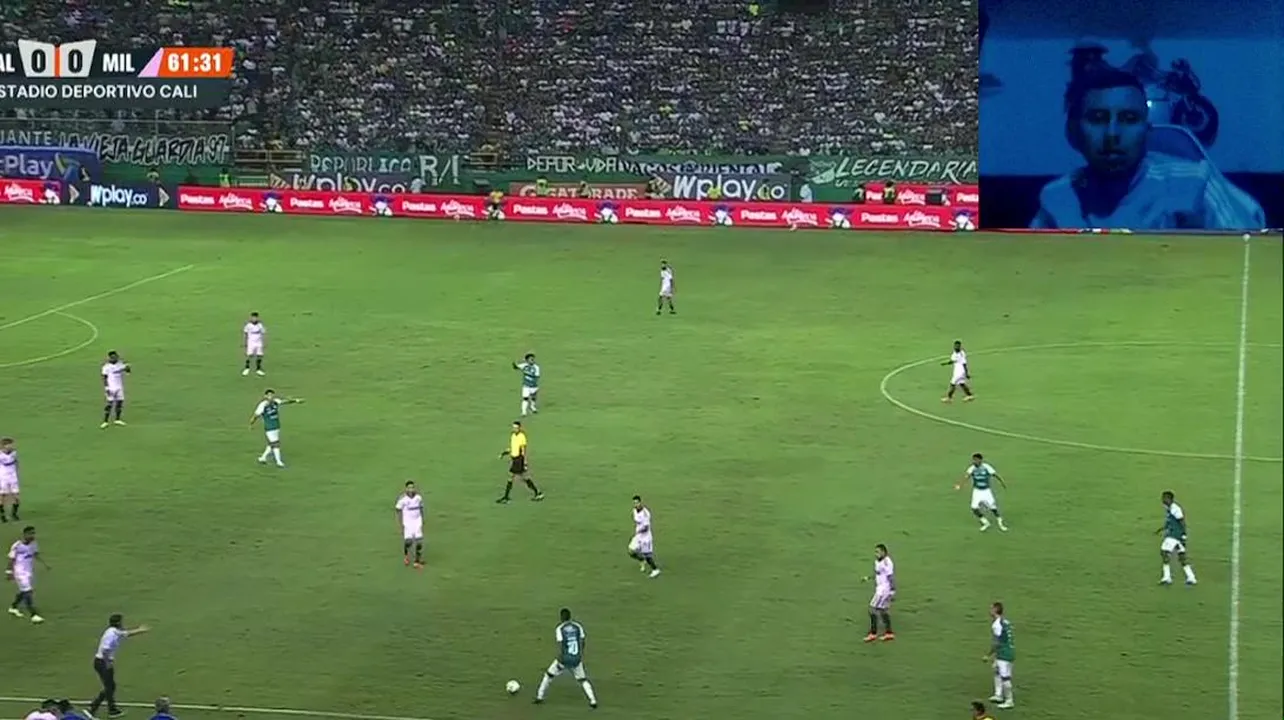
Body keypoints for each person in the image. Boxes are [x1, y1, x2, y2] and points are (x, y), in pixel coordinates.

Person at [1031, 67, 1265, 230]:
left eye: (1129, 118)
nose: (1112, 134)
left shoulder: (1195, 182)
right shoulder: (1057, 198)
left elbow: (1253, 255)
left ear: (1146, 131)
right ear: (1073, 133)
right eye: (1098, 119)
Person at [533, 608, 598, 708]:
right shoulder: (578, 626)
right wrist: (580, 654)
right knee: (583, 680)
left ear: (561, 617)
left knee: (548, 675)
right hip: (576, 659)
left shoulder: (560, 629)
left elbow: (560, 646)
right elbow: (582, 641)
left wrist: (560, 660)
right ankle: (593, 701)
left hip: (564, 659)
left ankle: (539, 697)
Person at [89, 613, 151, 718]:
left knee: (110, 687)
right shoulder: (111, 634)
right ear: (118, 623)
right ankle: (94, 708)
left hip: (101, 662)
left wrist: (140, 630)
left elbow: (126, 634)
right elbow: (105, 649)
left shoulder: (114, 631)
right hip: (102, 662)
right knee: (110, 687)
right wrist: (108, 662)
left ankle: (110, 710)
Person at [250, 390, 304, 467]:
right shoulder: (263, 405)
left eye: (272, 395)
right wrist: (251, 424)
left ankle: (263, 458)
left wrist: (295, 400)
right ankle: (278, 461)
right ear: (265, 396)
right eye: (269, 395)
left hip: (276, 426)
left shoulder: (275, 401)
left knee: (271, 443)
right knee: (276, 444)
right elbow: (256, 415)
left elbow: (284, 402)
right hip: (269, 427)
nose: (271, 397)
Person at [956, 454, 1008, 532]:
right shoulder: (972, 468)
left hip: (986, 491)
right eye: (973, 460)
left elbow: (995, 475)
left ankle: (1000, 523)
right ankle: (985, 522)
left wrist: (1002, 482)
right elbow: (966, 476)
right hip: (977, 491)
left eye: (976, 460)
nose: (974, 461)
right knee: (974, 508)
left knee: (993, 508)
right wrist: (960, 485)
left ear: (980, 460)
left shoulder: (986, 467)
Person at [7, 524, 48, 623]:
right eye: (30, 533)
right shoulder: (17, 545)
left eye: (33, 533)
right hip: (19, 572)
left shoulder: (34, 544)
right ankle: (33, 614)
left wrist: (44, 564)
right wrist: (9, 572)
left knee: (24, 591)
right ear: (25, 534)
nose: (32, 535)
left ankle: (13, 607)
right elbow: (11, 559)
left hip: (28, 572)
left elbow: (35, 554)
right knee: (28, 591)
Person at [1157, 490, 1197, 586]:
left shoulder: (1175, 508)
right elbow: (1170, 522)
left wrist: (1183, 534)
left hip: (1174, 535)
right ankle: (1191, 577)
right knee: (1182, 557)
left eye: (1164, 498)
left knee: (1164, 553)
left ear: (1169, 499)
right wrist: (1161, 529)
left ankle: (1167, 577)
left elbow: (1181, 521)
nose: (1162, 500)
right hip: (1177, 536)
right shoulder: (1170, 508)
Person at [497, 421, 543, 503]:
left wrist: (525, 462)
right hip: (514, 459)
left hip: (519, 459)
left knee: (514, 477)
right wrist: (503, 453)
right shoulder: (513, 436)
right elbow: (512, 448)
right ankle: (537, 493)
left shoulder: (522, 436)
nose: (515, 429)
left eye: (516, 428)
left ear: (519, 428)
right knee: (522, 477)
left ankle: (506, 497)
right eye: (513, 427)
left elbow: (523, 450)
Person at [861, 543, 895, 642]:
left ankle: (873, 633)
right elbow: (878, 573)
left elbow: (890, 577)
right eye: (875, 552)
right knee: (883, 610)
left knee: (872, 609)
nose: (876, 554)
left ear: (883, 552)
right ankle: (889, 633)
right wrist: (868, 577)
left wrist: (892, 591)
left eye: (878, 552)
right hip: (881, 589)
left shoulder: (887, 563)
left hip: (883, 590)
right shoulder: (878, 561)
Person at [984, 602, 1015, 709]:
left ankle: (1009, 701)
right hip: (1008, 651)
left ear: (995, 610)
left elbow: (997, 642)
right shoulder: (1005, 621)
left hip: (1004, 654)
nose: (989, 611)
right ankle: (998, 695)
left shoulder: (997, 625)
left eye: (991, 609)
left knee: (1005, 677)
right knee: (996, 670)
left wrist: (988, 655)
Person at [627, 495, 661, 578]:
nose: (636, 504)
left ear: (640, 502)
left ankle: (655, 570)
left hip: (646, 538)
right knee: (631, 551)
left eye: (637, 503)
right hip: (638, 536)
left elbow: (646, 527)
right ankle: (641, 560)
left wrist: (639, 530)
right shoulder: (635, 510)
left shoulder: (645, 513)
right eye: (634, 503)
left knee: (648, 556)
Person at [395, 481, 425, 568]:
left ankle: (417, 561)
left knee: (419, 542)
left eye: (412, 487)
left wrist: (422, 519)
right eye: (409, 488)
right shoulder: (403, 499)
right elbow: (398, 511)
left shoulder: (418, 498)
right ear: (406, 489)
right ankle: (406, 555)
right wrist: (400, 523)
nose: (411, 489)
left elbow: (421, 508)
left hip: (417, 521)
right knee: (409, 542)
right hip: (408, 522)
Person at [100, 351, 131, 428]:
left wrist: (128, 368)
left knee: (119, 403)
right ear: (109, 358)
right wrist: (107, 388)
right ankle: (105, 421)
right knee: (109, 404)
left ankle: (117, 419)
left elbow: (128, 372)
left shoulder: (120, 365)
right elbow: (104, 378)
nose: (115, 358)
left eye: (116, 357)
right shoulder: (106, 367)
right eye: (113, 357)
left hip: (119, 387)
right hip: (111, 388)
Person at [0, 436, 19, 522]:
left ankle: (14, 514)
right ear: (4, 445)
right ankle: (2, 515)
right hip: (3, 478)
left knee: (16, 497)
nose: (12, 446)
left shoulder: (14, 453)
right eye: (10, 444)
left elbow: (16, 462)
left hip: (13, 478)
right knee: (2, 497)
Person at [242, 312, 267, 376]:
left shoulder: (260, 325)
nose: (254, 319)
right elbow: (245, 333)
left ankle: (258, 369)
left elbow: (263, 333)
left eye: (255, 318)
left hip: (258, 343)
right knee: (249, 355)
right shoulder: (248, 325)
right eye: (253, 317)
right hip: (251, 342)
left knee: (259, 355)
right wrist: (245, 342)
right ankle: (247, 368)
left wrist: (263, 342)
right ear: (251, 318)